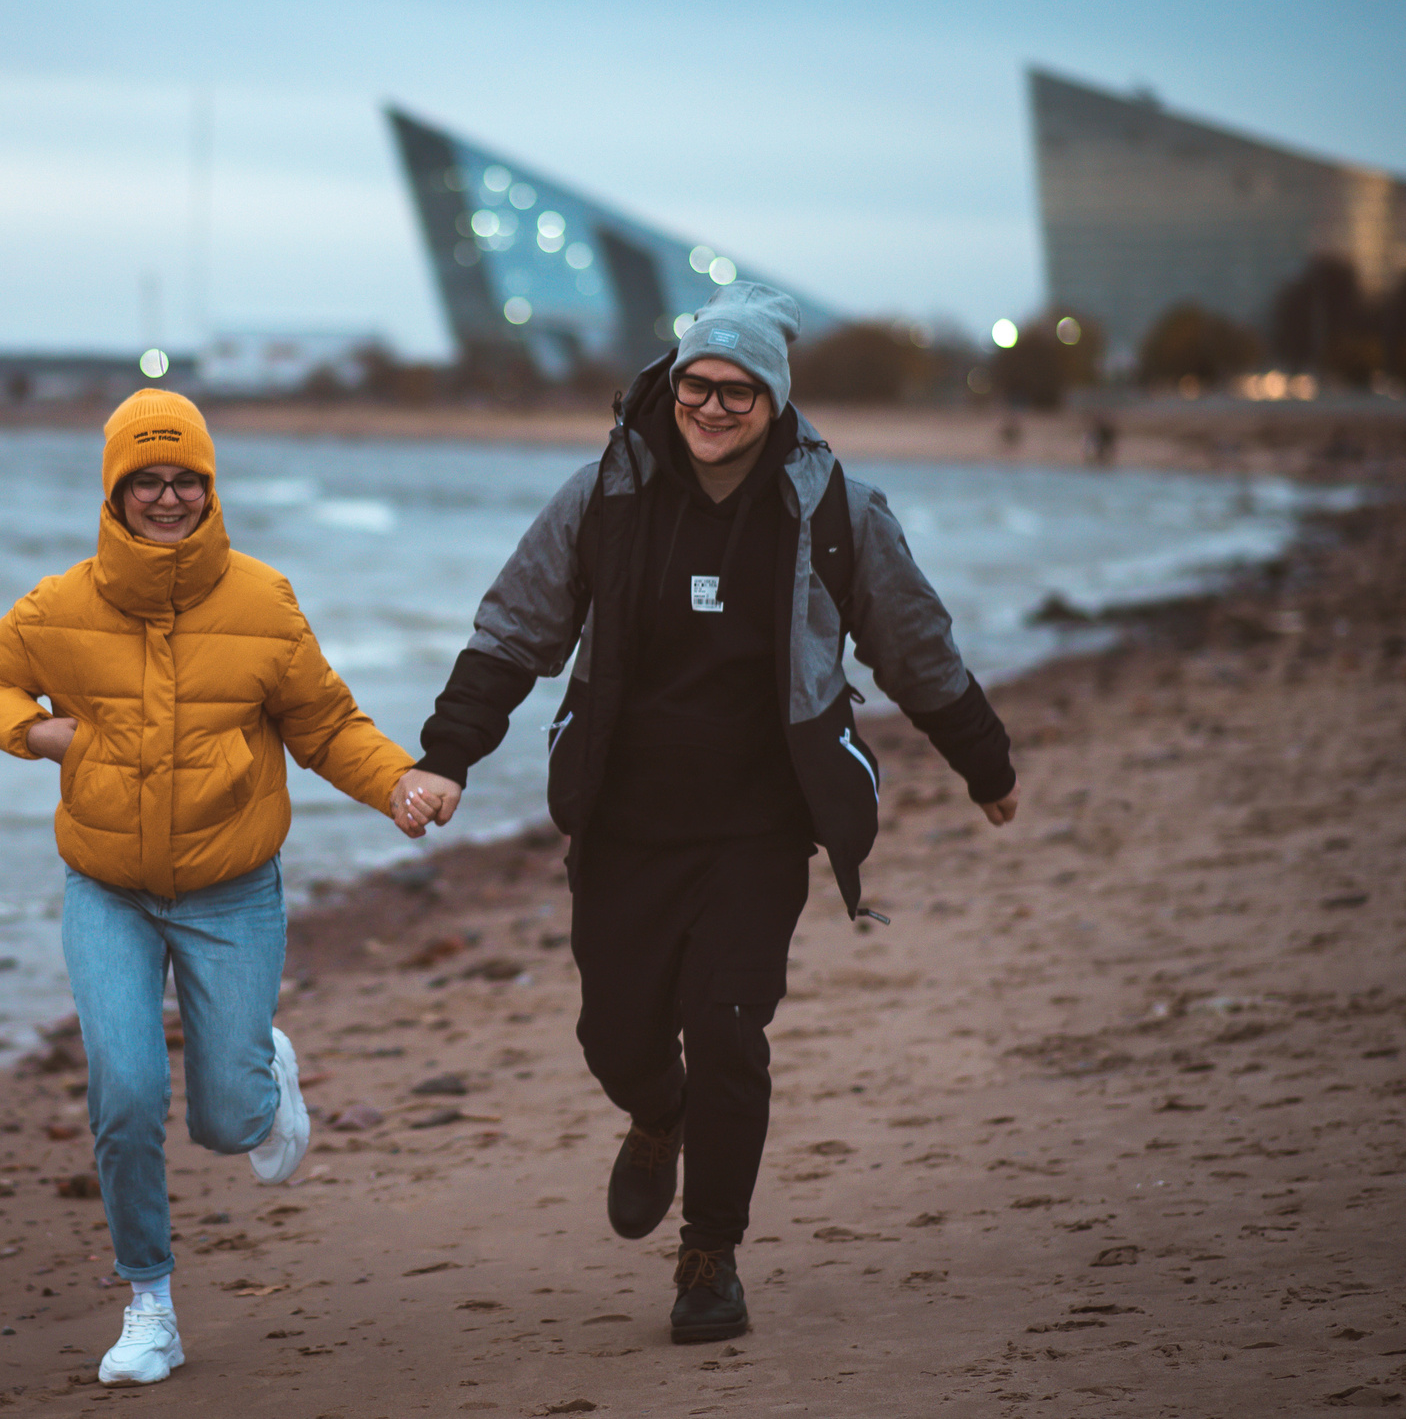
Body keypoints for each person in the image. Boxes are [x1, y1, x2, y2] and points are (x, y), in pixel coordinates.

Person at [399, 285, 1019, 1345]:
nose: (715, 404)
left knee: (729, 1026)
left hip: (758, 825)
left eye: (740, 389)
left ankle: (710, 1255)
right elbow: (515, 629)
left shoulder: (836, 510)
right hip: (627, 819)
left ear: (775, 401)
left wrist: (983, 758)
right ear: (669, 383)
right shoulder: (604, 495)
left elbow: (911, 642)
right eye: (698, 382)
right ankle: (656, 1110)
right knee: (617, 1034)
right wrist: (448, 752)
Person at [0, 388, 447, 1385]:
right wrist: (40, 731)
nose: (169, 496)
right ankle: (149, 1302)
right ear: (116, 492)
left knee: (226, 1118)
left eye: (187, 478)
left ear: (210, 486)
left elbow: (324, 724)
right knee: (126, 1090)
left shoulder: (262, 600)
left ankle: (260, 1069)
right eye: (148, 480)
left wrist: (395, 778)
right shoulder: (60, 604)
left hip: (232, 886)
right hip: (107, 888)